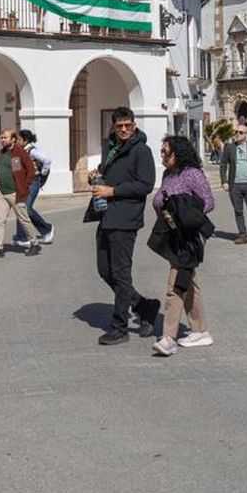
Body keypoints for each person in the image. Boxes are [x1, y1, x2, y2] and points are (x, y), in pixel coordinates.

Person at [91, 107, 159, 345]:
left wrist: (114, 191)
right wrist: (98, 176)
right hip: (107, 216)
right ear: (114, 126)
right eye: (119, 125)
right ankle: (143, 305)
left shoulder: (142, 151)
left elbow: (146, 184)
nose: (123, 129)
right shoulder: (111, 148)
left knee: (120, 274)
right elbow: (112, 174)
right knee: (104, 270)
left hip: (126, 218)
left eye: (127, 125)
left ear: (134, 124)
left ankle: (119, 328)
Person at [148, 135, 215, 356]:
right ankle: (200, 330)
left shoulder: (192, 175)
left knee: (175, 285)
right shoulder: (168, 174)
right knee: (188, 284)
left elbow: (209, 201)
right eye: (162, 151)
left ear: (179, 153)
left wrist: (185, 214)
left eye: (166, 152)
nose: (163, 156)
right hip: (173, 236)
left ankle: (168, 338)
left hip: (189, 237)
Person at [0, 129, 40, 258]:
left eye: (5, 137)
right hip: (2, 193)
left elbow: (31, 170)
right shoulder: (3, 152)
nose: (2, 140)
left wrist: (24, 186)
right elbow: (0, 170)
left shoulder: (20, 152)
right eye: (1, 138)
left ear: (13, 139)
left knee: (23, 219)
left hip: (16, 193)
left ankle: (34, 243)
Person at [218, 124, 247, 246]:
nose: (237, 134)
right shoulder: (229, 148)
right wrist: (224, 181)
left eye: (240, 132)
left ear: (246, 134)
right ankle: (242, 235)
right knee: (238, 211)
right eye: (236, 132)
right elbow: (223, 165)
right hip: (235, 185)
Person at [13, 128, 56, 247]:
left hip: (33, 183)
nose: (17, 141)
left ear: (25, 140)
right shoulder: (19, 151)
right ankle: (22, 236)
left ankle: (46, 229)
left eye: (19, 139)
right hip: (23, 183)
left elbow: (47, 160)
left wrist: (43, 173)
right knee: (21, 208)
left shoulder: (32, 151)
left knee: (26, 209)